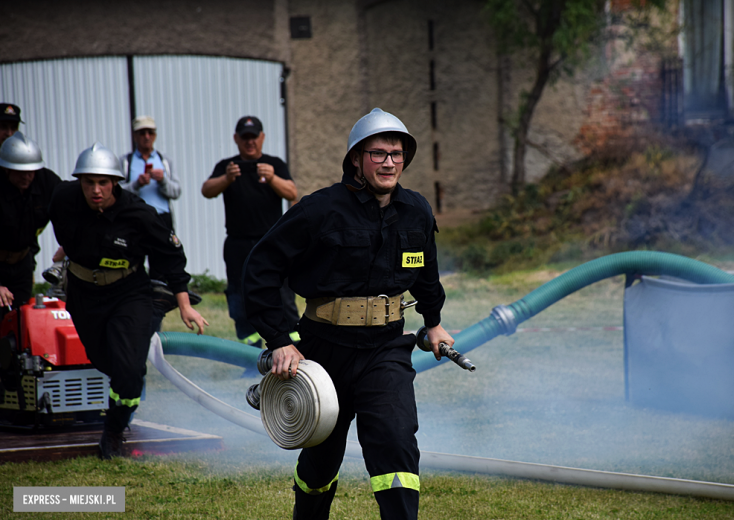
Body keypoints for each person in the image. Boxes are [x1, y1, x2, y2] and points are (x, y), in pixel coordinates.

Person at [242, 108, 455, 520]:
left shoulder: (417, 211)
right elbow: (261, 268)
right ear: (356, 159)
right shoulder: (319, 210)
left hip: (387, 349)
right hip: (324, 350)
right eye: (378, 153)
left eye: (397, 153)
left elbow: (426, 274)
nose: (389, 161)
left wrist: (434, 322)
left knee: (395, 442)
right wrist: (281, 341)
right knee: (320, 462)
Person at [48, 142, 208, 460]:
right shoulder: (63, 198)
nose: (95, 190)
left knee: (129, 371)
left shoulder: (138, 213)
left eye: (103, 183)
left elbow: (172, 254)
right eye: (88, 182)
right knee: (104, 362)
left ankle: (114, 431)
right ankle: (135, 346)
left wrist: (185, 303)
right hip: (83, 293)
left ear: (116, 183)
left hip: (128, 291)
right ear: (78, 181)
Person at [201, 115, 299, 346]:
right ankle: (251, 355)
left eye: (253, 137)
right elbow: (207, 190)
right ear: (236, 139)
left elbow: (292, 193)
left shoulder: (274, 164)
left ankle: (295, 347)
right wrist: (227, 178)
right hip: (238, 244)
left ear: (262, 137)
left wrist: (272, 177)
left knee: (283, 296)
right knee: (240, 297)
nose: (249, 142)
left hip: (272, 243)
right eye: (244, 138)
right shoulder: (229, 166)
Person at [119, 115, 185, 331]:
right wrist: (137, 184)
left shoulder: (164, 160)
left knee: (161, 276)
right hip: (134, 221)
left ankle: (154, 326)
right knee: (132, 269)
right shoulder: (126, 161)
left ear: (155, 135)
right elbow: (117, 193)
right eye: (142, 133)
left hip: (161, 220)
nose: (146, 137)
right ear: (135, 135)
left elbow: (176, 192)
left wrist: (162, 180)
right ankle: (132, 320)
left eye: (150, 132)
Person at [0, 131, 61, 319]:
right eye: (21, 172)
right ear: (7, 169)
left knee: (20, 322)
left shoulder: (46, 182)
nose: (27, 176)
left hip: (22, 265)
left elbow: (73, 207)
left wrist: (68, 245)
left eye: (31, 171)